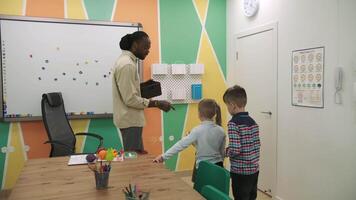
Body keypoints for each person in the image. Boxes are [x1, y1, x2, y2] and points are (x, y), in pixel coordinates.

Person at [113, 31, 172, 154]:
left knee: (136, 156)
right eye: (145, 47)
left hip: (130, 120)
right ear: (135, 45)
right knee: (134, 161)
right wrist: (157, 103)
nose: (148, 51)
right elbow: (130, 99)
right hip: (130, 121)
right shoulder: (127, 65)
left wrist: (142, 88)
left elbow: (127, 91)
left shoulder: (125, 61)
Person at [153, 99, 226, 182]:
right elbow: (222, 153)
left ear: (199, 114)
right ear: (215, 113)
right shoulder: (221, 131)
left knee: (200, 193)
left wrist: (163, 157)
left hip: (203, 168)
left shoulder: (196, 131)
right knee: (215, 191)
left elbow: (180, 145)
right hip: (218, 167)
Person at [223, 85, 260, 200]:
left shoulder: (233, 123)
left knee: (240, 197)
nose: (227, 109)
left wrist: (225, 152)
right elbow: (257, 145)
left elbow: (235, 149)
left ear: (232, 105)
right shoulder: (253, 122)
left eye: (227, 105)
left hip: (240, 172)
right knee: (251, 197)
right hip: (254, 170)